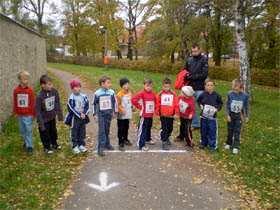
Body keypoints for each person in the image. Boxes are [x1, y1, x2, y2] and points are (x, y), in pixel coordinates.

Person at [36, 75, 63, 154]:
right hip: (43, 119)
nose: (52, 86)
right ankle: (47, 147)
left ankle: (54, 144)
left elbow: (57, 102)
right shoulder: (39, 96)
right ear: (42, 85)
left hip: (52, 117)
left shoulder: (54, 91)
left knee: (53, 131)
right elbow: (38, 111)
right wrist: (41, 123)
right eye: (49, 84)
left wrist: (59, 114)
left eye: (51, 84)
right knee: (44, 133)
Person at [185, 43, 208, 129]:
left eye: (196, 51)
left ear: (199, 50)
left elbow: (204, 74)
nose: (194, 52)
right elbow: (185, 71)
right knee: (192, 106)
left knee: (202, 107)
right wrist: (186, 77)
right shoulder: (189, 60)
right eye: (193, 51)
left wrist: (192, 77)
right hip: (190, 88)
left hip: (200, 87)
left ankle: (205, 123)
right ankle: (195, 124)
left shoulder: (204, 59)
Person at [92, 76, 117, 156]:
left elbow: (114, 102)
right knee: (102, 131)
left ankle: (107, 144)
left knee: (107, 130)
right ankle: (100, 148)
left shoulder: (112, 92)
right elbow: (94, 104)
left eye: (110, 82)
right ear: (102, 84)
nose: (110, 84)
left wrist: (114, 112)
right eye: (108, 83)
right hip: (101, 115)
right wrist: (95, 114)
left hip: (108, 114)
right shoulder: (97, 93)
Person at [13, 70, 36, 154]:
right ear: (20, 80)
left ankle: (30, 146)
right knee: (22, 130)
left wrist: (33, 113)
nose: (26, 81)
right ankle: (26, 141)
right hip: (20, 114)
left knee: (28, 130)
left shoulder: (30, 91)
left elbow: (33, 103)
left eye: (27, 79)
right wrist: (15, 112)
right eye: (24, 79)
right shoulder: (16, 91)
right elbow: (15, 102)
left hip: (28, 114)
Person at [65, 79, 90, 154]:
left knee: (82, 131)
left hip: (83, 117)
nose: (78, 88)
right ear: (72, 89)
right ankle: (74, 146)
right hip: (75, 118)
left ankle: (81, 144)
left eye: (79, 87)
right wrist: (79, 115)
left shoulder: (84, 96)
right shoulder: (71, 98)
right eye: (76, 87)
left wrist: (84, 113)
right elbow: (71, 109)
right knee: (74, 131)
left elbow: (87, 105)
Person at [197, 79, 223, 152]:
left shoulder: (217, 95)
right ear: (205, 86)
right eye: (208, 85)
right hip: (203, 117)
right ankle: (203, 143)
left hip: (212, 118)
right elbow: (198, 101)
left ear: (214, 86)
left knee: (212, 131)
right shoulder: (202, 94)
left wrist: (217, 109)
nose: (209, 87)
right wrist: (201, 105)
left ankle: (212, 145)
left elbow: (220, 104)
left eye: (211, 85)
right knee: (203, 130)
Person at [225, 79, 249, 154]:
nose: (234, 88)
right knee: (230, 130)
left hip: (239, 115)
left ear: (240, 87)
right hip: (231, 114)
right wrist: (227, 115)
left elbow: (246, 106)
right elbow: (227, 105)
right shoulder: (229, 94)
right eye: (233, 86)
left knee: (237, 131)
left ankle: (236, 146)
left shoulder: (245, 96)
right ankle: (228, 143)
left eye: (236, 86)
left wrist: (247, 116)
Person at [132, 79, 157, 151]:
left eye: (150, 86)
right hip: (144, 115)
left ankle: (147, 139)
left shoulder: (153, 94)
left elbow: (155, 102)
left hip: (150, 115)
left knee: (149, 127)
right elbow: (133, 100)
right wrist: (140, 107)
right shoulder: (141, 93)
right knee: (143, 129)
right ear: (144, 86)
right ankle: (141, 144)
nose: (149, 87)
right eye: (147, 86)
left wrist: (155, 110)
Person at [156, 78, 177, 150]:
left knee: (170, 128)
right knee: (165, 128)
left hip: (171, 115)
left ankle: (167, 137)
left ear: (170, 86)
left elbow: (176, 104)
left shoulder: (173, 94)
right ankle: (164, 141)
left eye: (168, 87)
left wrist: (176, 113)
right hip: (163, 115)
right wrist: (158, 112)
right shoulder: (160, 94)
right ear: (162, 86)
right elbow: (157, 104)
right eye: (165, 87)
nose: (166, 88)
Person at [117, 78, 133, 151]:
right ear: (122, 86)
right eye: (125, 84)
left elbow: (130, 101)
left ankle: (125, 139)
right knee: (121, 128)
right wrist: (121, 110)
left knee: (126, 127)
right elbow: (118, 104)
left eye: (128, 84)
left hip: (128, 113)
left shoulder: (129, 92)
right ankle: (120, 142)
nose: (127, 86)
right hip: (121, 114)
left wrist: (132, 107)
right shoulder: (119, 94)